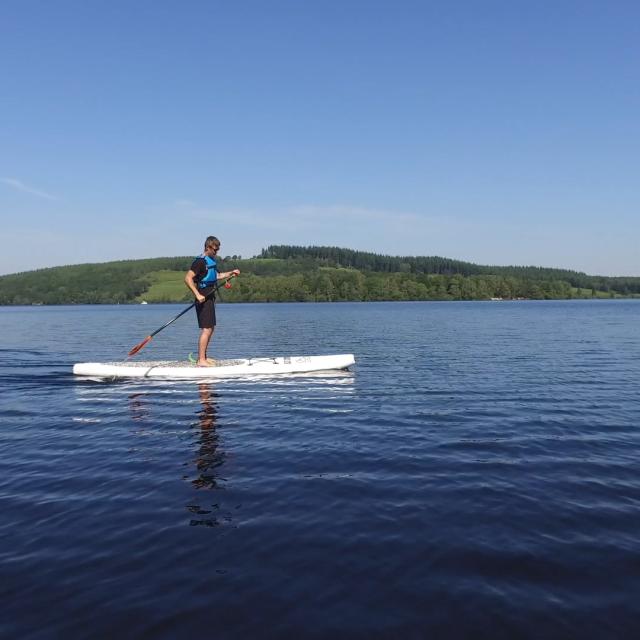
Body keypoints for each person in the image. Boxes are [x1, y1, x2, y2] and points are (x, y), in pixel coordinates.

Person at [184, 236, 240, 366]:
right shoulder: (199, 262)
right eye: (215, 250)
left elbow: (217, 276)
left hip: (210, 296)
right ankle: (201, 360)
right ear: (207, 247)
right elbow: (187, 278)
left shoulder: (211, 261)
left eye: (218, 250)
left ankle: (204, 357)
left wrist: (231, 273)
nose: (216, 252)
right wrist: (197, 294)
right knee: (207, 329)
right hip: (203, 296)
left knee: (211, 328)